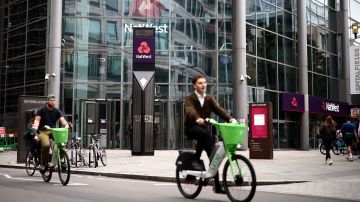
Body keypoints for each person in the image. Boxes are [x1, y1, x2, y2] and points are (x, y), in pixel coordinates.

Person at [184, 75, 237, 194]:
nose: (203, 85)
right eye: (200, 83)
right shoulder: (190, 98)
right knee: (205, 134)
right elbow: (190, 110)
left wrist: (230, 119)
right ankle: (195, 161)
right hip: (191, 127)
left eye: (204, 83)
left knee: (214, 157)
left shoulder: (209, 99)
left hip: (204, 129)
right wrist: (197, 118)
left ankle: (217, 186)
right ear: (194, 85)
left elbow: (219, 110)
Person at [32, 94, 71, 173]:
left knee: (61, 144)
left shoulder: (57, 111)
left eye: (54, 100)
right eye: (51, 100)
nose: (53, 102)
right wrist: (35, 128)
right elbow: (37, 121)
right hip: (43, 131)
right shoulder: (41, 110)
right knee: (46, 145)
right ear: (47, 101)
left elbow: (62, 120)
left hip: (53, 131)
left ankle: (59, 161)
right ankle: (44, 164)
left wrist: (66, 124)